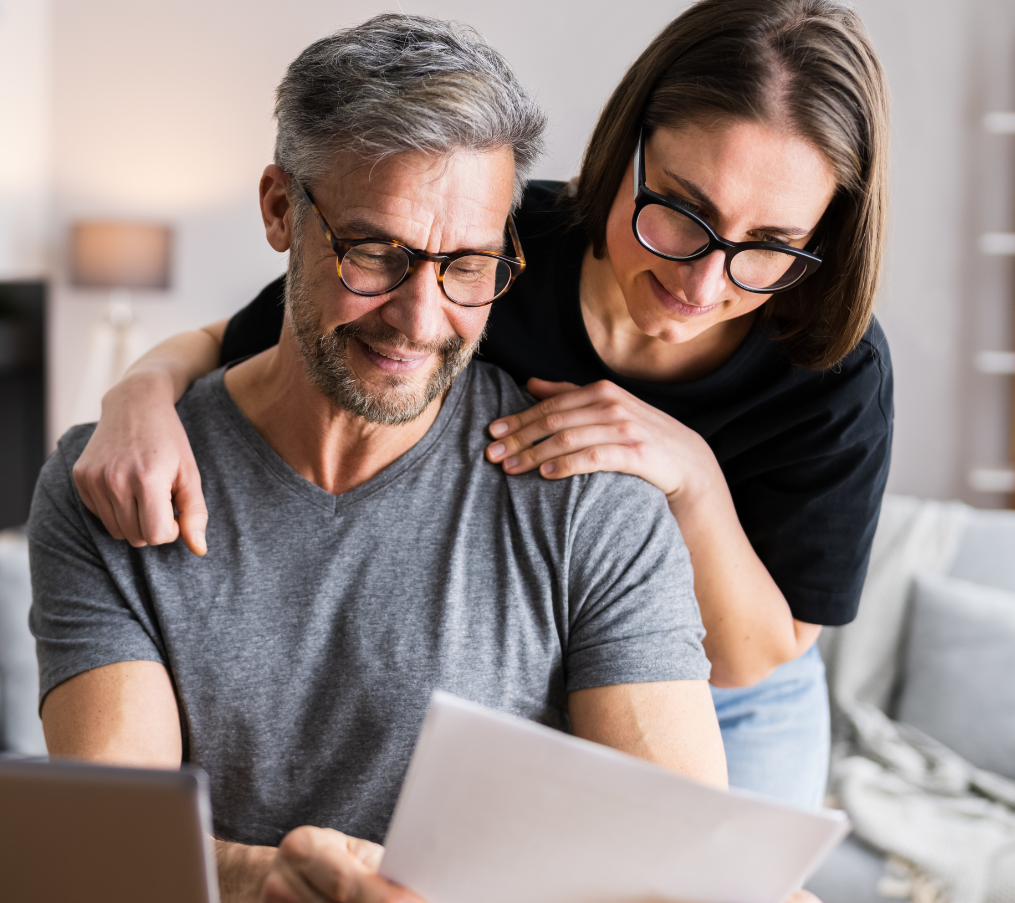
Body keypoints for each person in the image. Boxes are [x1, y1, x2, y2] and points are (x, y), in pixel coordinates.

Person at [33, 14, 829, 903]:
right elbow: (106, 842)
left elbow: (687, 870)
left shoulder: (593, 496)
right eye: (376, 252)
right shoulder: (118, 484)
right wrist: (251, 894)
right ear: (281, 210)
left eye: (469, 266)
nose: (419, 318)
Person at [72, 0, 893, 812]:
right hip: (553, 646)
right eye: (682, 213)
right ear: (626, 150)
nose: (703, 283)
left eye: (769, 248)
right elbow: (243, 339)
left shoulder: (832, 363)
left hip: (733, 692)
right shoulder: (479, 238)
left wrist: (694, 478)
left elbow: (758, 655)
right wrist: (137, 394)